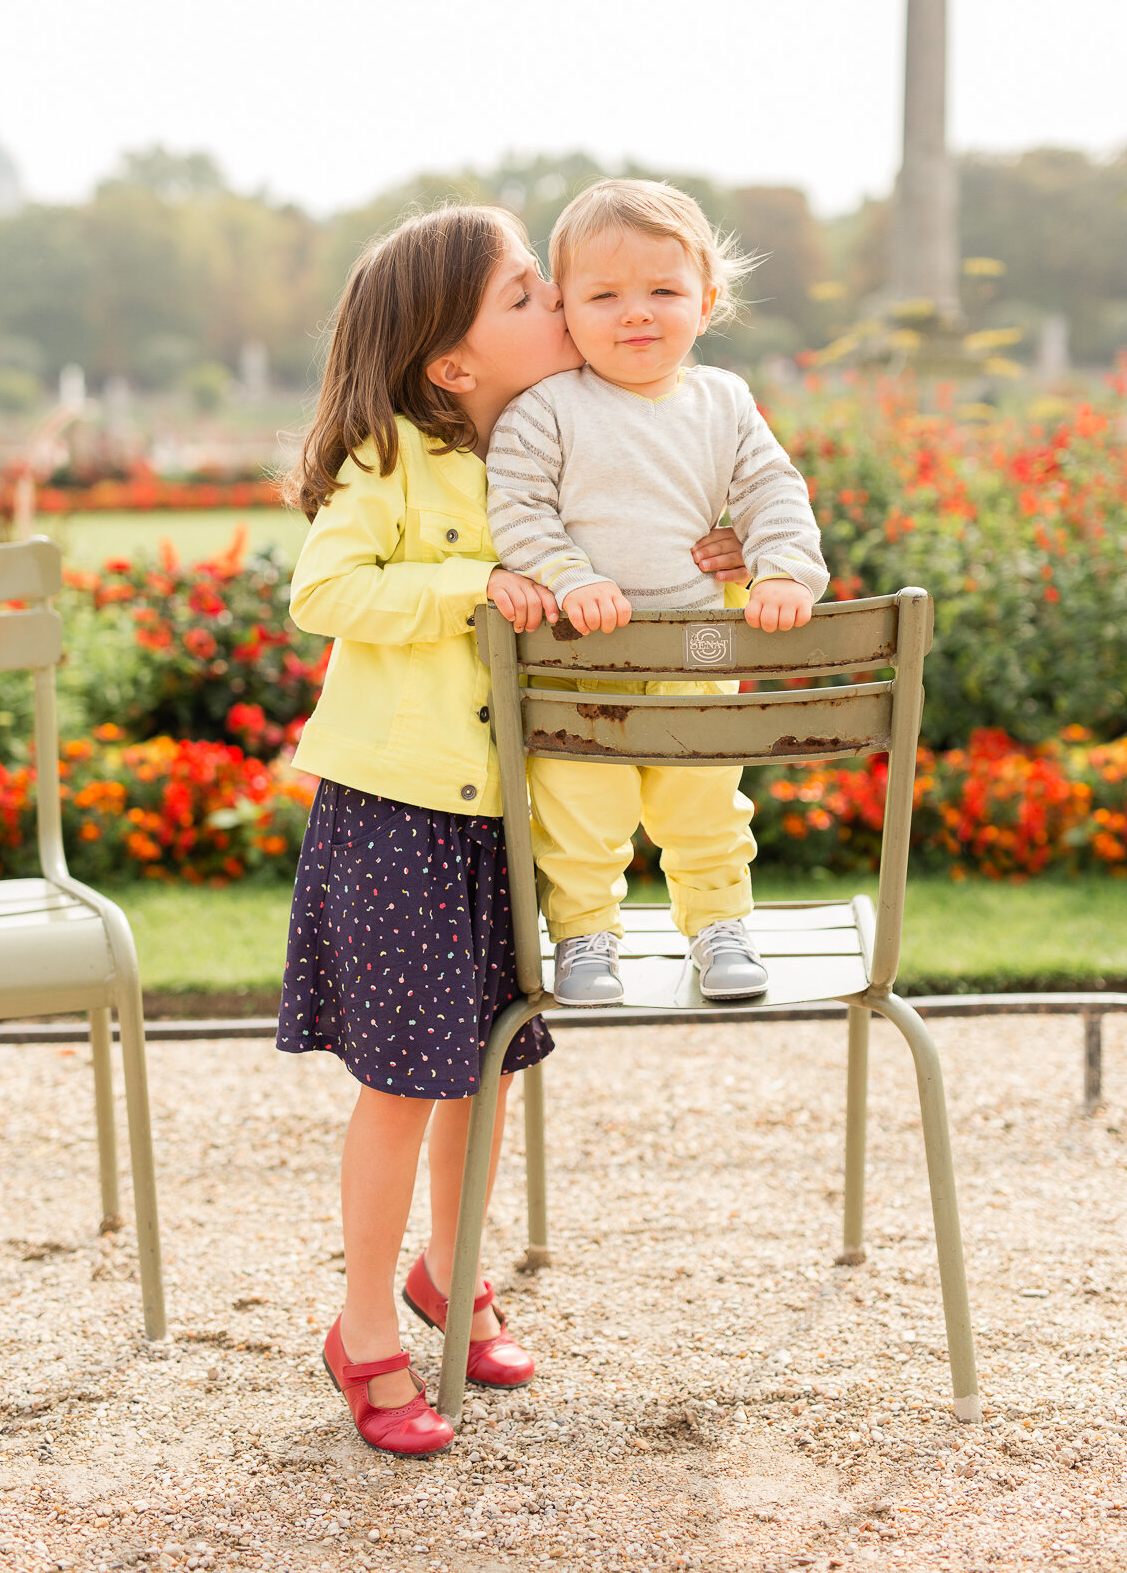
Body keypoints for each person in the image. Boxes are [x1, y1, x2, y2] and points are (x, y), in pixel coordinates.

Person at [277, 205, 745, 1456]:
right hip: (394, 811)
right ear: (453, 362)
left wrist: (714, 555)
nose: (566, 310)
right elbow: (320, 590)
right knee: (401, 1086)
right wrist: (469, 585)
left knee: (481, 1078)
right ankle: (365, 1325)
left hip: (503, 815)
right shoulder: (391, 461)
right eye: (532, 295)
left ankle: (456, 1271)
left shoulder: (554, 455)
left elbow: (646, 578)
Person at [486, 178, 828, 1009]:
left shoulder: (724, 402)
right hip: (580, 651)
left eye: (663, 291)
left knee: (706, 799)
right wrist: (572, 577)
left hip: (695, 640)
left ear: (707, 301)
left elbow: (773, 492)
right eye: (605, 295)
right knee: (578, 807)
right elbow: (518, 508)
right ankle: (585, 937)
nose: (635, 312)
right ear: (564, 307)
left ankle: (718, 926)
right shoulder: (547, 409)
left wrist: (781, 566)